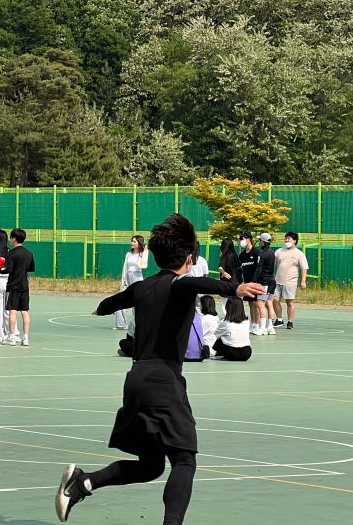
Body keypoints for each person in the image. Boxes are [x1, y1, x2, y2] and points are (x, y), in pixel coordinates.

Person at [54, 213, 263, 524]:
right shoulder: (181, 283)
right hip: (163, 381)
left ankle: (82, 483)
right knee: (184, 460)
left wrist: (101, 308)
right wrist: (234, 287)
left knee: (151, 466)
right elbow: (198, 283)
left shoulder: (143, 287)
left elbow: (111, 303)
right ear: (190, 258)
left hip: (136, 381)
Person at [2, 228, 35, 346]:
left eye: (11, 237)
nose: (10, 240)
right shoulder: (29, 253)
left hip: (13, 286)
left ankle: (11, 337)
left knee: (13, 311)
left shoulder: (11, 253)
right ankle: (25, 338)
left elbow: (8, 270)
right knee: (25, 311)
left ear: (14, 238)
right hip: (24, 286)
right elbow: (32, 268)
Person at [273, 231, 309, 329]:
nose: (286, 240)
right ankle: (279, 319)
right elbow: (273, 265)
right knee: (275, 300)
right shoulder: (279, 251)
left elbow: (304, 268)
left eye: (288, 238)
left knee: (290, 302)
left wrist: (303, 281)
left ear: (295, 241)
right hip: (277, 280)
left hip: (290, 282)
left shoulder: (299, 254)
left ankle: (290, 321)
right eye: (285, 238)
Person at [115, 235, 148, 332]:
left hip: (137, 278)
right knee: (120, 299)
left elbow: (143, 266)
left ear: (139, 243)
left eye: (134, 241)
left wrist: (144, 252)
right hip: (127, 277)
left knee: (136, 302)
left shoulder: (143, 253)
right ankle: (121, 325)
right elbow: (125, 267)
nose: (132, 243)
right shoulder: (128, 254)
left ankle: (139, 324)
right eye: (132, 241)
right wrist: (123, 280)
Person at [212, 296, 253, 361]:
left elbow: (216, 334)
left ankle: (220, 354)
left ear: (227, 308)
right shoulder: (246, 321)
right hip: (247, 353)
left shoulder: (225, 323)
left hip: (232, 354)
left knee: (220, 339)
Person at [238, 231, 262, 333]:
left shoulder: (256, 252)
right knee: (250, 304)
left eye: (243, 239)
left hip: (256, 282)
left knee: (256, 303)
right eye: (240, 239)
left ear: (249, 239)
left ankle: (257, 324)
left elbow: (259, 268)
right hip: (247, 283)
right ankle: (253, 323)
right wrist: (241, 281)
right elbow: (239, 269)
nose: (241, 241)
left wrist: (254, 281)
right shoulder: (242, 255)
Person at [254, 232, 277, 336]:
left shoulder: (262, 254)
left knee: (260, 303)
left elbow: (259, 269)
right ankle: (271, 327)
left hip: (264, 281)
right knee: (269, 303)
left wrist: (253, 281)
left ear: (263, 242)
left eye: (260, 240)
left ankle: (262, 328)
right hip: (272, 280)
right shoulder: (272, 252)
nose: (259, 242)